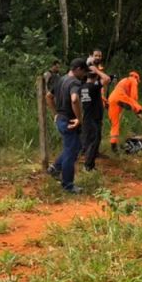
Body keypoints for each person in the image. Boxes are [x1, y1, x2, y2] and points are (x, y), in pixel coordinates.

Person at [48, 58, 88, 193]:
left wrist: (55, 114)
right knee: (71, 152)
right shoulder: (75, 82)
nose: (84, 76)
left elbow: (48, 96)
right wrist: (79, 119)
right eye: (83, 72)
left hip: (61, 119)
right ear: (78, 69)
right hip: (69, 122)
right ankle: (68, 185)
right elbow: (75, 99)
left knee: (75, 147)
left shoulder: (61, 80)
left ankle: (55, 168)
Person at [107, 70, 142, 151]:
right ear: (137, 78)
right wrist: (138, 110)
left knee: (115, 123)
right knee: (133, 102)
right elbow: (134, 97)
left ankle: (113, 146)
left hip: (112, 99)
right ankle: (141, 112)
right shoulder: (133, 80)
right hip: (120, 97)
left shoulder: (123, 80)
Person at [79, 67, 105, 171]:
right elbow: (106, 79)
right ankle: (87, 166)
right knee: (93, 142)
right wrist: (97, 70)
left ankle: (90, 165)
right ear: (96, 76)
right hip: (93, 118)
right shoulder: (93, 86)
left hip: (88, 117)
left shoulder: (83, 86)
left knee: (92, 141)